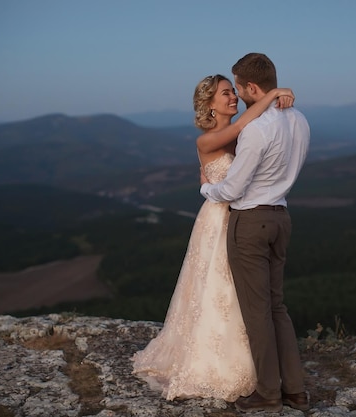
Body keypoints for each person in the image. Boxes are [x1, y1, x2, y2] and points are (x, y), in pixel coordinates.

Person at [131, 73, 295, 402]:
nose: (233, 97)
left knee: (245, 293)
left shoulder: (245, 132)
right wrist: (274, 92)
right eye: (225, 94)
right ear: (209, 105)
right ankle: (220, 362)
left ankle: (258, 366)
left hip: (244, 219)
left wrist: (279, 101)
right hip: (218, 222)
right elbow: (244, 125)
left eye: (234, 91)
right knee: (217, 288)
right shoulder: (207, 140)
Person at [200, 53, 311, 413]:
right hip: (282, 217)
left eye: (237, 87)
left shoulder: (256, 129)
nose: (236, 96)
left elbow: (231, 190)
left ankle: (268, 393)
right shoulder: (300, 121)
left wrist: (206, 190)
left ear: (250, 87)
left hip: (250, 222)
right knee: (278, 307)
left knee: (258, 312)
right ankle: (295, 390)